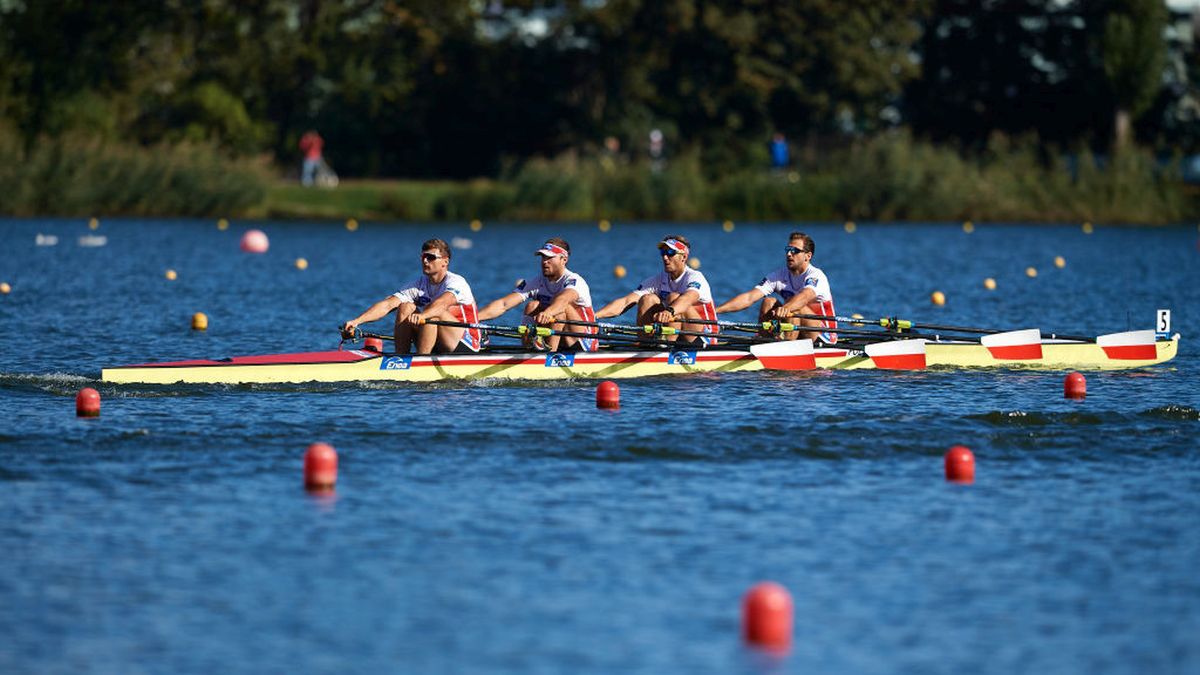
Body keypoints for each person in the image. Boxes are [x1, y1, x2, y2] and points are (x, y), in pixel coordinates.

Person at [340, 238, 482, 354]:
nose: (425, 261)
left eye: (431, 257)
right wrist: (357, 321)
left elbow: (442, 304)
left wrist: (423, 316)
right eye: (423, 256)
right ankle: (401, 359)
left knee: (433, 314)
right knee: (405, 306)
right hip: (439, 337)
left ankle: (421, 361)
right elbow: (388, 304)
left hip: (466, 342)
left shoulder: (456, 282)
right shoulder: (418, 285)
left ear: (445, 261)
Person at [476, 238, 599, 352]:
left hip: (584, 339)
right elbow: (503, 304)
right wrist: (475, 318)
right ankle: (528, 351)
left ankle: (549, 355)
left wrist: (548, 312)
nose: (545, 262)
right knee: (532, 306)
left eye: (549, 258)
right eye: (543, 257)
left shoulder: (574, 280)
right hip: (560, 336)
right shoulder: (536, 281)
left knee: (561, 309)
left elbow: (563, 300)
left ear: (564, 260)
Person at [595, 235, 719, 346]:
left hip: (704, 336)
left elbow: (688, 299)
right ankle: (646, 345)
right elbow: (626, 301)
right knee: (647, 299)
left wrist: (669, 311)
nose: (665, 257)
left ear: (684, 257)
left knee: (674, 297)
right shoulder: (659, 279)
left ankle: (666, 347)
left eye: (670, 252)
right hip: (677, 332)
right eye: (663, 252)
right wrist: (594, 316)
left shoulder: (695, 277)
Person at [714, 232, 836, 343]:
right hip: (797, 329)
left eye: (795, 250)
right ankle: (765, 342)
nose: (789, 254)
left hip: (823, 334)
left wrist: (786, 308)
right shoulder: (779, 275)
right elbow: (749, 298)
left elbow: (804, 297)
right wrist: (715, 311)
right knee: (768, 302)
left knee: (794, 308)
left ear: (808, 256)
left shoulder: (816, 276)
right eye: (788, 249)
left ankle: (785, 349)